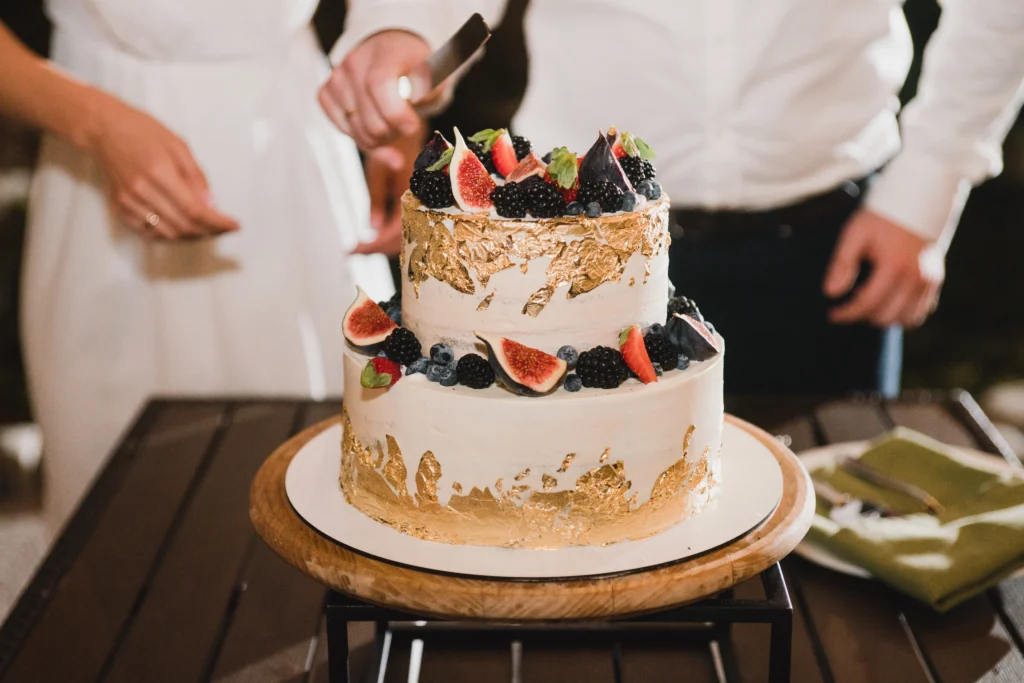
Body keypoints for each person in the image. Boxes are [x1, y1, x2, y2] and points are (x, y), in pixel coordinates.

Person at [320, 0, 1024, 396]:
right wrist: (396, 30)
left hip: (828, 246)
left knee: (831, 597)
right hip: (568, 247)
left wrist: (928, 186)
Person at [0, 2, 393, 534]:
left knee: (332, 490)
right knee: (119, 516)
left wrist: (388, 55)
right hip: (100, 143)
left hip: (301, 147)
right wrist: (96, 124)